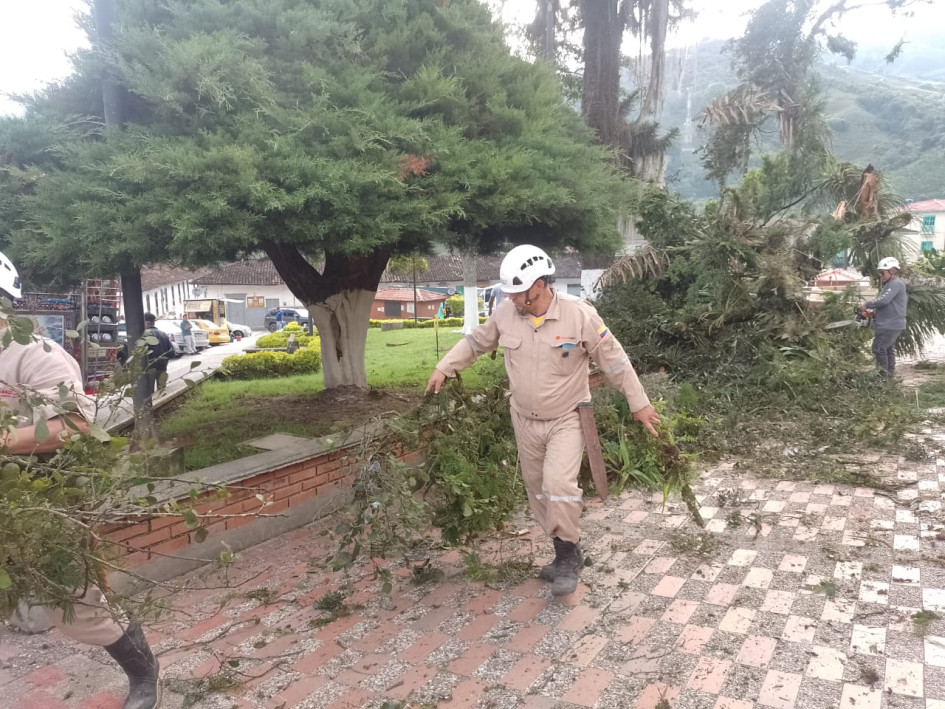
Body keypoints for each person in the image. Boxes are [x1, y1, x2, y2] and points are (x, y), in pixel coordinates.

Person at [426, 244, 659, 596]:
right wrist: (446, 367)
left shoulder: (579, 315)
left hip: (566, 417)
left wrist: (638, 403)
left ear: (538, 284)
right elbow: (476, 343)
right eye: (511, 294)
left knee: (559, 486)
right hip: (523, 419)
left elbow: (614, 360)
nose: (514, 300)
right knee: (538, 494)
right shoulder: (506, 313)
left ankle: (567, 559)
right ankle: (566, 551)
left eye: (519, 293)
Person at [0, 251, 162, 708]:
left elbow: (75, 427)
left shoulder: (35, 354)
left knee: (78, 604)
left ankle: (144, 672)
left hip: (42, 495)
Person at [860, 256, 907, 377]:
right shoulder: (891, 284)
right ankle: (889, 376)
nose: (881, 276)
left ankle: (882, 377)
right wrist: (874, 312)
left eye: (882, 273)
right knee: (887, 350)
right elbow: (888, 305)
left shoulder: (895, 284)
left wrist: (867, 305)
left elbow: (884, 301)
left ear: (892, 271)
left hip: (890, 324)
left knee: (879, 349)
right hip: (892, 323)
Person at [143, 313, 174, 393]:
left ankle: (150, 405)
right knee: (162, 391)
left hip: (150, 366)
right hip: (162, 366)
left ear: (147, 322)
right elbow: (172, 352)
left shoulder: (144, 335)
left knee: (149, 393)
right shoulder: (163, 334)